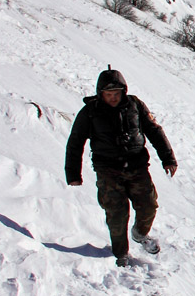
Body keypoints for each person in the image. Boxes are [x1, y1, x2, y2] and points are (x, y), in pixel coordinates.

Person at [65, 66, 177, 266]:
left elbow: (154, 131)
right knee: (116, 214)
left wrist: (168, 158)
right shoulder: (90, 112)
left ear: (123, 91)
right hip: (108, 171)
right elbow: (75, 142)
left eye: (116, 93)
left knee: (149, 205)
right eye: (108, 94)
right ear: (100, 94)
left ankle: (140, 234)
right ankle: (121, 253)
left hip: (137, 167)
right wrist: (73, 173)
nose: (113, 98)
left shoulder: (135, 105)